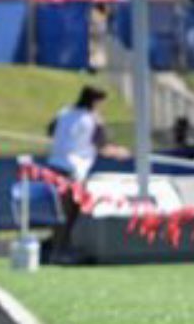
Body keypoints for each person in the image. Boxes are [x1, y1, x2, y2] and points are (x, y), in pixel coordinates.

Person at [46, 86, 129, 260]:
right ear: (95, 101)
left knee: (59, 211)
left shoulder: (64, 113)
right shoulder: (93, 119)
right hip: (73, 169)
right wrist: (120, 152)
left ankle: (56, 246)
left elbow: (50, 131)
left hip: (54, 166)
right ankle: (61, 250)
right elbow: (103, 147)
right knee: (70, 213)